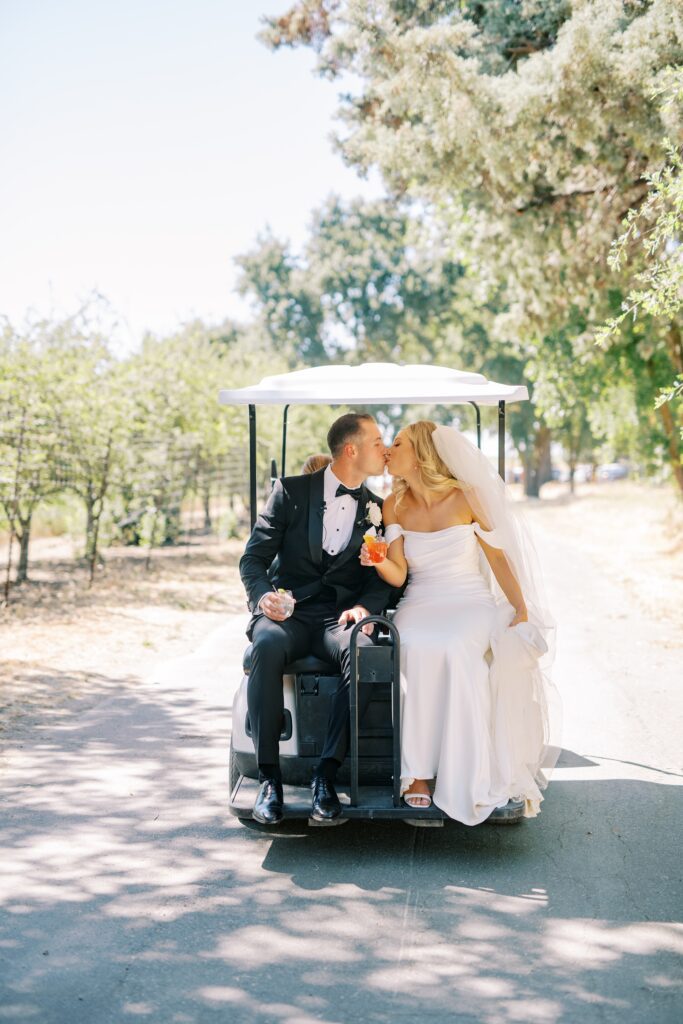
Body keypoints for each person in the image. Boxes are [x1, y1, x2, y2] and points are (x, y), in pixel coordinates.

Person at [360, 420, 558, 824]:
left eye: (396, 444)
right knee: (410, 644)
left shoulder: (466, 496)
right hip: (422, 598)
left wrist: (520, 608)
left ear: (419, 454)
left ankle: (465, 768)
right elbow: (399, 574)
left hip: (468, 598)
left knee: (453, 648)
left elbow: (498, 557)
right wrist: (378, 560)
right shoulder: (392, 504)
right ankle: (417, 774)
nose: (387, 451)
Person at [239, 412, 392, 825]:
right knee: (266, 646)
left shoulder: (378, 509)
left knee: (363, 650)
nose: (385, 448)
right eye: (377, 441)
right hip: (288, 612)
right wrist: (264, 596)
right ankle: (268, 778)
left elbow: (384, 579)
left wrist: (366, 608)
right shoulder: (290, 492)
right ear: (352, 449)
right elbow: (252, 558)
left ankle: (326, 774)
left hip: (336, 619)